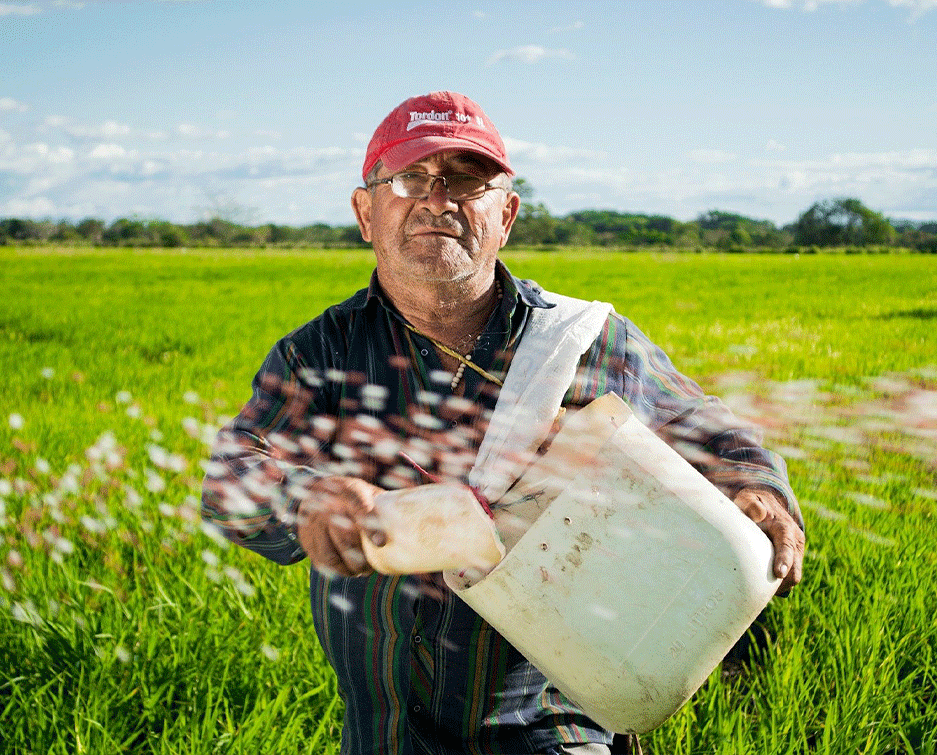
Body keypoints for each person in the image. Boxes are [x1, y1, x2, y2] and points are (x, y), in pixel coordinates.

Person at [201, 91, 805, 755]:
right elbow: (230, 480)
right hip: (383, 733)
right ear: (365, 212)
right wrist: (304, 498)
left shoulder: (579, 340)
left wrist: (756, 484)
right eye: (408, 178)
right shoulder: (320, 354)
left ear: (505, 214)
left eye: (465, 180)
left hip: (552, 725)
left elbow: (700, 423)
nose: (437, 199)